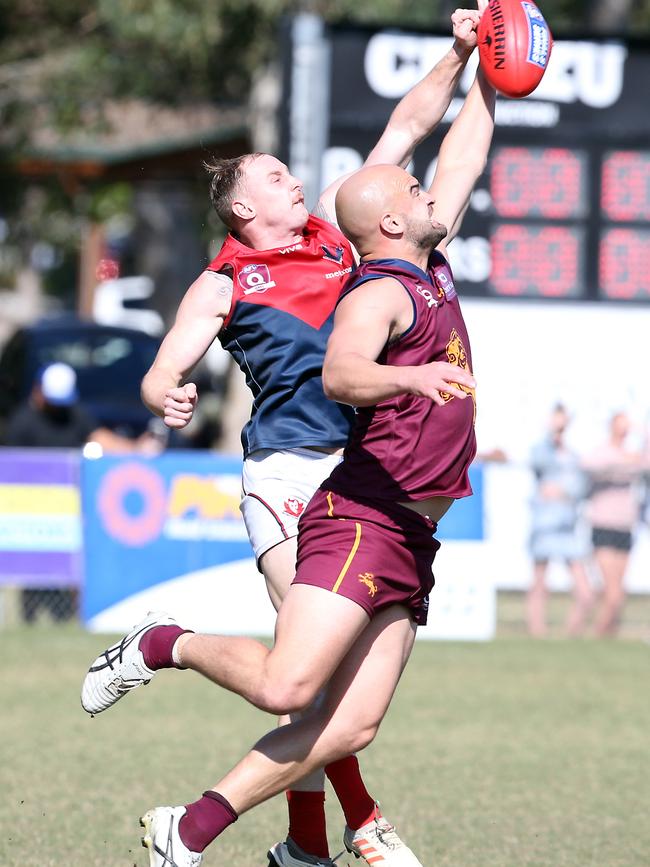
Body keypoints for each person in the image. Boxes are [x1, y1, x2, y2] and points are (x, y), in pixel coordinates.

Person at [81, 50, 496, 867]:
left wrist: (461, 56)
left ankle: (308, 843)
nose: (293, 182)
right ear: (241, 204)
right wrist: (166, 391)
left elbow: (417, 128)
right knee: (299, 675)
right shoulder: (224, 281)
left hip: (365, 465)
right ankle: (352, 821)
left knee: (321, 685)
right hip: (288, 475)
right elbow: (165, 365)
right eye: (274, 176)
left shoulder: (351, 240)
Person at [5, 362, 160, 622]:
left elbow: (101, 439)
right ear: (38, 392)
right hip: (33, 512)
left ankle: (65, 617)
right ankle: (28, 617)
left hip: (68, 509)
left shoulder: (74, 415)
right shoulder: (22, 423)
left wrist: (136, 448)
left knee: (68, 573)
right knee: (34, 577)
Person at [526, 404, 593, 637]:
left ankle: (571, 634)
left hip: (567, 526)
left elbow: (582, 488)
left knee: (583, 588)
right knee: (539, 581)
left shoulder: (574, 456)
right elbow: (538, 463)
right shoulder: (542, 449)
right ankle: (537, 633)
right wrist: (550, 435)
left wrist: (563, 492)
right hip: (544, 524)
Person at [583, 411, 644, 637]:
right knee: (613, 592)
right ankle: (597, 636)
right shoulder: (603, 452)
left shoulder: (633, 454)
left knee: (619, 591)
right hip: (604, 526)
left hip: (625, 527)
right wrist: (623, 464)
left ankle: (609, 636)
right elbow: (589, 464)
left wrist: (642, 431)